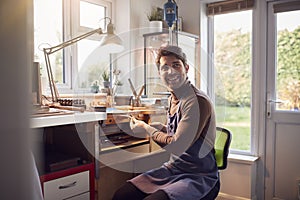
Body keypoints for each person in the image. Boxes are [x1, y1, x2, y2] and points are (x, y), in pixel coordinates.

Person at [112, 45, 219, 200]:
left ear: (186, 68)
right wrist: (157, 127)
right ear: (159, 73)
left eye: (176, 65)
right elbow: (176, 130)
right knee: (122, 195)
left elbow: (177, 145)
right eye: (165, 67)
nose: (170, 71)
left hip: (198, 176)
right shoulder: (172, 98)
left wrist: (147, 128)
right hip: (174, 169)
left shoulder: (196, 102)